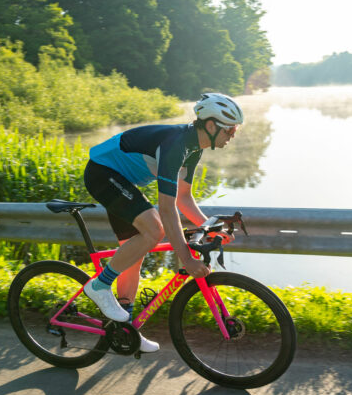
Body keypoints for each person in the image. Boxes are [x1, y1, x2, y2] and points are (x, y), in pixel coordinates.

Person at [82, 92, 244, 352]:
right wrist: (187, 260)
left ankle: (125, 329)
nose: (233, 136)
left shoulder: (193, 148)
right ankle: (99, 285)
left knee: (133, 256)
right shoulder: (176, 145)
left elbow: (183, 198)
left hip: (122, 182)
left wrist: (210, 228)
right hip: (102, 173)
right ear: (211, 126)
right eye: (230, 130)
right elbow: (167, 210)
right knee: (155, 230)